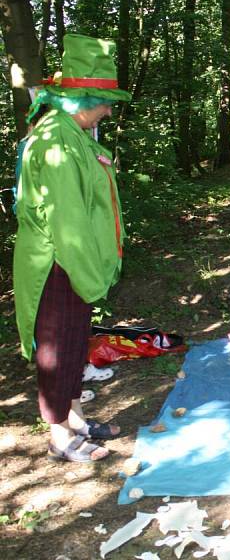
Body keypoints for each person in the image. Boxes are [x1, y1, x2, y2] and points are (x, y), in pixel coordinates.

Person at [14, 34, 131, 462]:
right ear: (80, 100)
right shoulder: (57, 140)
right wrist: (88, 274)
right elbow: (67, 221)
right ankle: (60, 437)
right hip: (59, 264)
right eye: (104, 102)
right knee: (58, 347)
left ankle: (75, 417)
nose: (108, 110)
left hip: (73, 263)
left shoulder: (73, 133)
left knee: (73, 342)